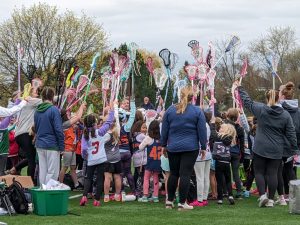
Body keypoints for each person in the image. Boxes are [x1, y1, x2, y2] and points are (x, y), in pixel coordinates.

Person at [234, 82, 298, 207]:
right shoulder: (285, 115)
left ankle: (263, 195)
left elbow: (247, 102)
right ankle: (271, 200)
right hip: (276, 148)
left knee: (259, 172)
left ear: (267, 98)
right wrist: (294, 147)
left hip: (260, 147)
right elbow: (291, 133)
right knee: (273, 173)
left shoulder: (261, 109)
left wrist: (240, 88)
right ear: (279, 98)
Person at [161, 86, 207, 211]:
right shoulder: (197, 111)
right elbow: (202, 130)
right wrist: (203, 147)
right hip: (190, 147)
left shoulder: (170, 110)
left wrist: (163, 145)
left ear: (179, 95)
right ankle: (182, 203)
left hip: (173, 147)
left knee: (173, 174)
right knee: (185, 175)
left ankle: (169, 202)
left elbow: (164, 130)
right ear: (193, 97)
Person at [79, 106, 114, 207]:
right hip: (101, 159)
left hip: (91, 160)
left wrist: (85, 156)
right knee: (99, 179)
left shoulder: (85, 135)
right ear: (95, 123)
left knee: (88, 178)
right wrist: (111, 112)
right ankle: (97, 200)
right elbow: (108, 123)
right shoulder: (100, 132)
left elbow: (84, 149)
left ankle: (84, 196)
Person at [34, 87, 65, 185]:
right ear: (52, 97)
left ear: (42, 97)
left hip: (40, 144)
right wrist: (61, 146)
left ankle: (43, 192)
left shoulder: (37, 111)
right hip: (52, 145)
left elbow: (35, 128)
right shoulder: (54, 110)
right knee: (52, 172)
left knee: (43, 171)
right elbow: (58, 130)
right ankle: (48, 193)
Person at [277, 81, 300, 204]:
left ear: (283, 96)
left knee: (279, 170)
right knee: (289, 170)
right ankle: (292, 195)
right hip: (293, 145)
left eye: (279, 92)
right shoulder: (297, 110)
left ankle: (284, 195)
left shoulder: (279, 110)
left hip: (280, 144)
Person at [15, 87, 42, 184]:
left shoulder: (24, 101)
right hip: (24, 133)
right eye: (36, 92)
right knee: (31, 159)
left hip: (21, 134)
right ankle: (30, 183)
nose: (37, 94)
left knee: (32, 157)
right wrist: (65, 94)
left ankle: (15, 169)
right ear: (30, 93)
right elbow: (47, 100)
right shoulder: (29, 100)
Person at [59, 103, 86, 189]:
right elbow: (77, 117)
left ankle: (76, 184)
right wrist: (81, 106)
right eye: (67, 113)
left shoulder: (67, 123)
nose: (69, 114)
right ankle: (60, 184)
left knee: (73, 167)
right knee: (65, 167)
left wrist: (80, 108)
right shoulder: (64, 124)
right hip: (67, 148)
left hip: (72, 149)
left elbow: (76, 117)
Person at [211, 118, 236, 205]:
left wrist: (212, 124)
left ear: (225, 130)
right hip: (227, 162)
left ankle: (220, 198)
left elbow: (213, 134)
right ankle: (230, 195)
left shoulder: (219, 136)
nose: (219, 129)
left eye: (221, 128)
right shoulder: (230, 138)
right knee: (228, 179)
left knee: (219, 180)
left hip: (219, 161)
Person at [103, 100, 122, 202]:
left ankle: (106, 196)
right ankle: (117, 195)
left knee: (107, 177)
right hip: (117, 157)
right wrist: (115, 106)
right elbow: (117, 119)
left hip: (108, 158)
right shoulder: (117, 131)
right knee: (117, 177)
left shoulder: (106, 134)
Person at [192, 111, 211, 207]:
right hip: (207, 152)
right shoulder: (207, 125)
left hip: (200, 153)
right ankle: (204, 198)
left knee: (200, 177)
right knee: (205, 177)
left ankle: (200, 200)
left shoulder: (201, 125)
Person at [139, 120, 162, 203]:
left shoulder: (148, 138)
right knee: (156, 178)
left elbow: (140, 147)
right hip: (158, 162)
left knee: (146, 178)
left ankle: (145, 195)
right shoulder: (161, 138)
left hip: (150, 161)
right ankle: (155, 196)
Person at [225, 108, 244, 198]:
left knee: (226, 172)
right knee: (235, 172)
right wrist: (242, 154)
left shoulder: (224, 126)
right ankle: (239, 191)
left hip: (226, 151)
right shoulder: (239, 128)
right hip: (236, 152)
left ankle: (226, 191)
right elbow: (242, 143)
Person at [118, 97, 136, 195]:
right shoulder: (126, 127)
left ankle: (122, 191)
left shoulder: (114, 129)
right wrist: (133, 104)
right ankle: (133, 191)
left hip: (119, 153)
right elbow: (132, 116)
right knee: (128, 172)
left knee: (120, 174)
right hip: (127, 152)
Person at [131, 120, 147, 199]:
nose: (145, 129)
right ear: (138, 128)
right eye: (143, 127)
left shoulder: (134, 136)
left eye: (146, 128)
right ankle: (140, 192)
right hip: (142, 160)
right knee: (143, 177)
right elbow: (149, 139)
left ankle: (137, 192)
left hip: (136, 159)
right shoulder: (141, 136)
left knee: (139, 176)